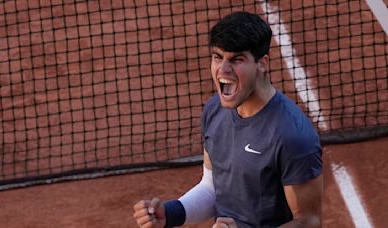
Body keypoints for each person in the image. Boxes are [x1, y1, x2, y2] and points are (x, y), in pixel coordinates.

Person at [133, 11, 323, 228]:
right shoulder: (215, 110)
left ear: (262, 64)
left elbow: (308, 222)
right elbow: (212, 188)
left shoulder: (292, 136)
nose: (223, 69)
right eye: (217, 57)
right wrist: (171, 214)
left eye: (236, 59)